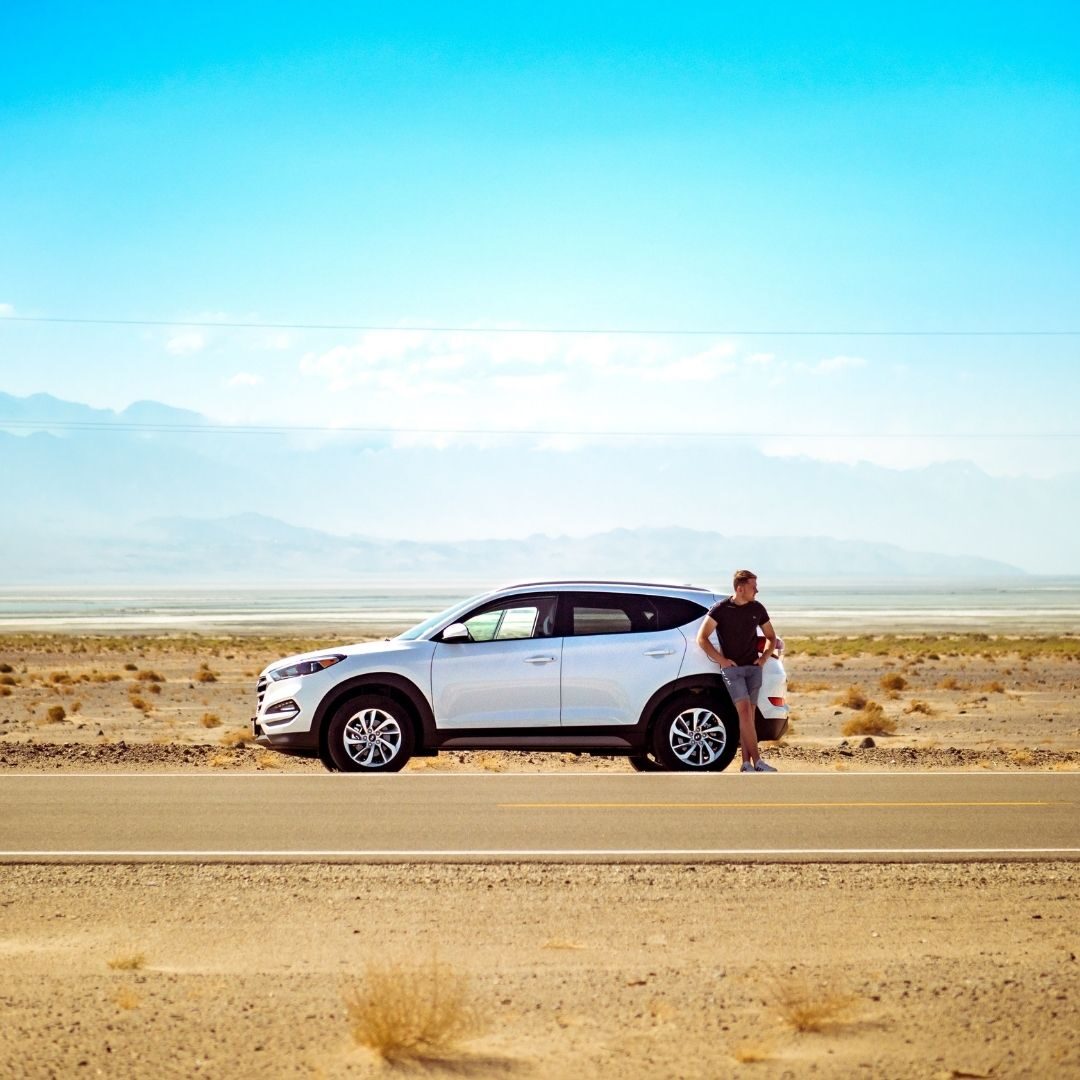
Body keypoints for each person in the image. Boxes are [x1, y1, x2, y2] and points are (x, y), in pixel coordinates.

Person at [696, 569, 779, 773]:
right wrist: (722, 660)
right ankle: (758, 761)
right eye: (753, 587)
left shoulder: (757, 608)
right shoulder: (720, 609)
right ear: (740, 588)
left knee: (748, 716)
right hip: (733, 671)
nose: (756, 591)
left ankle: (745, 763)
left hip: (753, 669)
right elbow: (702, 638)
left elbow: (771, 636)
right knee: (743, 712)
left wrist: (763, 658)